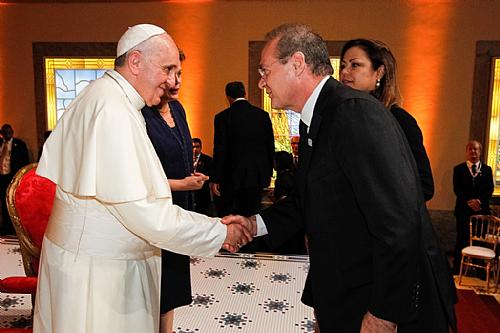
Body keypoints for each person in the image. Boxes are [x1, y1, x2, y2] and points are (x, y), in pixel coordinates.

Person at [223, 23, 456, 332]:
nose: (261, 81)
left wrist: (384, 314)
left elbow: (397, 223)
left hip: (376, 298)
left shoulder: (354, 114)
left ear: (297, 64)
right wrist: (254, 224)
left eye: (265, 70)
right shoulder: (316, 118)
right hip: (343, 290)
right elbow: (308, 200)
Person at [34, 24, 251, 333]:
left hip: (89, 262)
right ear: (135, 62)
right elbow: (146, 214)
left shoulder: (107, 97)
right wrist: (218, 232)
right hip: (99, 276)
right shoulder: (113, 110)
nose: (171, 81)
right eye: (167, 68)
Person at [141, 49, 206, 333]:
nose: (177, 81)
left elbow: (181, 153)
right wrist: (180, 184)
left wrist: (191, 176)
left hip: (178, 211)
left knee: (172, 289)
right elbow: (136, 177)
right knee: (157, 289)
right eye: (170, 73)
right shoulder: (140, 115)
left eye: (179, 73)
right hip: (153, 215)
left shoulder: (178, 109)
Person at [339, 38, 434, 201]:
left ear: (379, 73)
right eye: (343, 65)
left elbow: (424, 187)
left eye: (355, 65)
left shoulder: (400, 120)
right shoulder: (344, 119)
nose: (344, 72)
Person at [210, 81, 275, 218]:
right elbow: (269, 145)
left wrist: (215, 178)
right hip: (256, 176)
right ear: (244, 93)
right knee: (252, 216)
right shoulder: (262, 115)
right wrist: (268, 173)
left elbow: (220, 149)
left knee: (232, 217)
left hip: (231, 177)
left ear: (228, 96)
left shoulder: (223, 117)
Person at [452, 140, 493, 274]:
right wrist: (469, 201)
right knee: (461, 240)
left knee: (480, 240)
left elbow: (489, 190)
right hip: (463, 211)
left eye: (475, 149)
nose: (473, 152)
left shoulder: (487, 170)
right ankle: (457, 268)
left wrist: (479, 201)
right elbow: (457, 189)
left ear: (480, 152)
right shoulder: (458, 169)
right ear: (466, 152)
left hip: (481, 212)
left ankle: (479, 271)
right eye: (470, 149)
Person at [0, 124, 29, 236]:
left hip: (13, 178)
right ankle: (6, 228)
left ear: (12, 132)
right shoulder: (1, 144)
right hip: (2, 178)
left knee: (13, 203)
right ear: (1, 134)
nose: (7, 134)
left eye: (9, 132)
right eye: (4, 132)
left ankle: (15, 229)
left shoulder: (20, 145)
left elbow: (25, 163)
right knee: (4, 203)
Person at [192, 137, 214, 215]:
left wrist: (204, 178)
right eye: (193, 147)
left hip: (203, 193)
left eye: (197, 147)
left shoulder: (208, 160)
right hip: (191, 193)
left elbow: (212, 175)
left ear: (201, 147)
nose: (195, 149)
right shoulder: (187, 159)